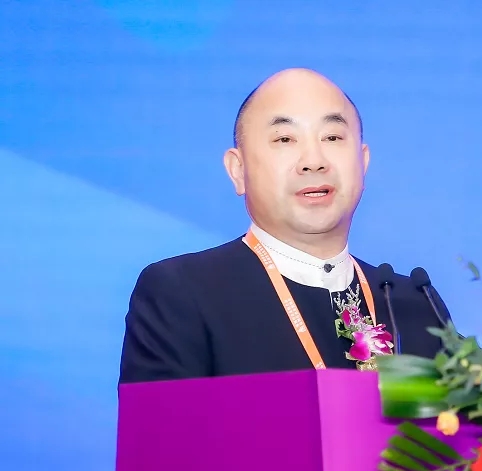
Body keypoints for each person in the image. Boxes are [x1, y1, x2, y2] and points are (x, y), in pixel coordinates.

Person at [118, 68, 452, 384]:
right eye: (284, 139)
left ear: (362, 162)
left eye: (332, 136)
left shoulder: (415, 303)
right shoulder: (183, 293)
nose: (313, 161)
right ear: (238, 170)